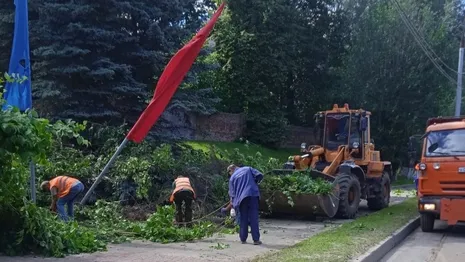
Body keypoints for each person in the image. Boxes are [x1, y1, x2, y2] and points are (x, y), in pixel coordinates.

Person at [225, 164, 263, 245]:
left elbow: (232, 195)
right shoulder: (248, 169)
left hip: (242, 200)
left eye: (229, 173)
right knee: (253, 218)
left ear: (230, 170)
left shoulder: (232, 178)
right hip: (253, 194)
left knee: (243, 218)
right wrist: (255, 181)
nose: (229, 175)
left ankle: (243, 239)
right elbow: (260, 175)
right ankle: (256, 240)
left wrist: (234, 207)